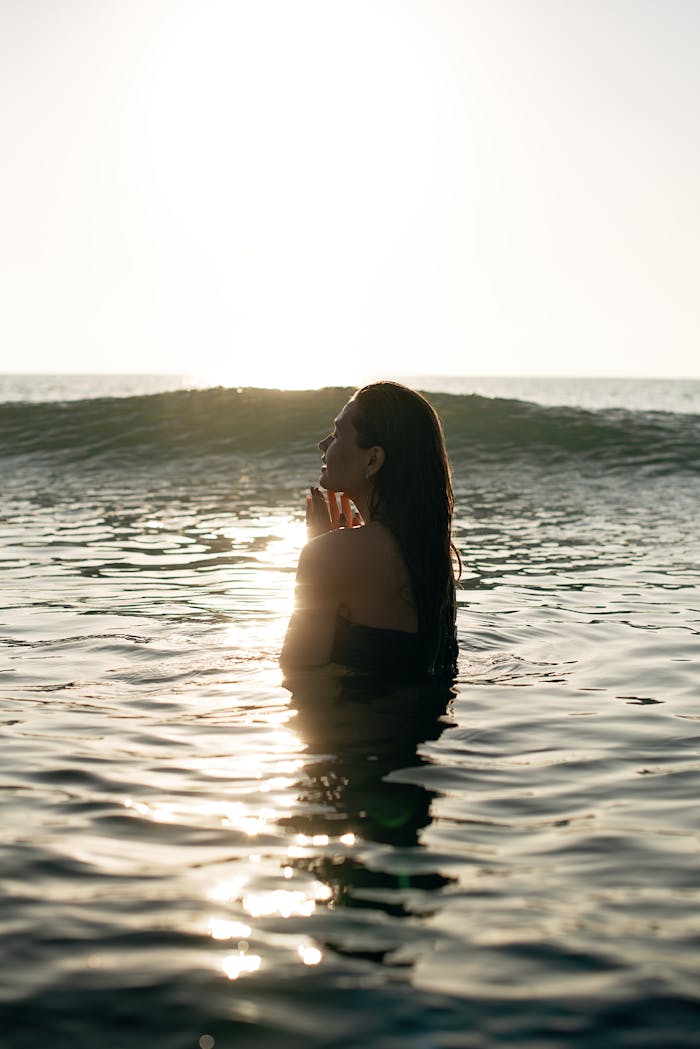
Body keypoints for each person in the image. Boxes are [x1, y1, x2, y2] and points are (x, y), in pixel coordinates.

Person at [280, 381, 459, 678]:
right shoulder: (433, 555)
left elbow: (296, 671)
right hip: (429, 723)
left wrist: (322, 548)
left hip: (355, 723)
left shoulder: (332, 554)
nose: (323, 445)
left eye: (338, 434)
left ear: (373, 459)